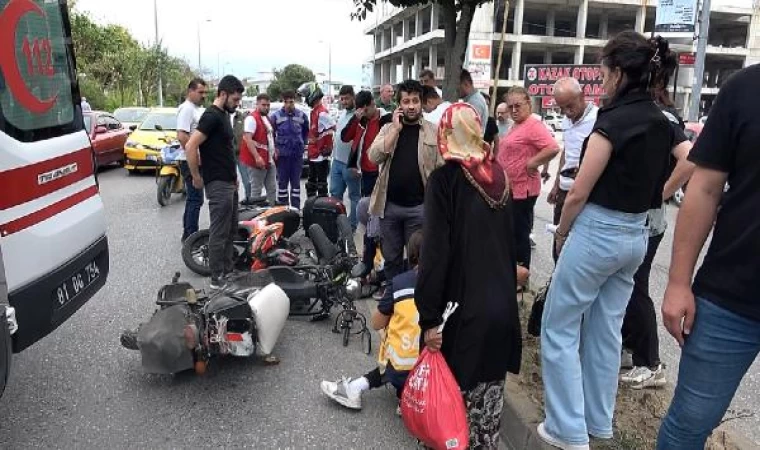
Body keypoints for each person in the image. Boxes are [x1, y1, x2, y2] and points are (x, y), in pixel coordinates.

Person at [538, 32, 679, 449]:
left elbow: (579, 189)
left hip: (598, 233)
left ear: (619, 72)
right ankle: (598, 424)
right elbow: (681, 165)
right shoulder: (660, 119)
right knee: (605, 332)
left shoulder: (612, 120)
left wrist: (562, 232)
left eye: (603, 73)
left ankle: (567, 428)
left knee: (559, 326)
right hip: (635, 236)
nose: (601, 82)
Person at [656, 65, 760, 450]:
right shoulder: (745, 88)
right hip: (729, 300)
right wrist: (678, 282)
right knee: (689, 424)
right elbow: (704, 189)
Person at [417, 103, 528, 447]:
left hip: (461, 314)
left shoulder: (444, 181)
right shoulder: (502, 177)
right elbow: (514, 243)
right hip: (501, 312)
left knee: (451, 421)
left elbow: (434, 255)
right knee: (487, 420)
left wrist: (430, 318)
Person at [620, 39, 695, 390]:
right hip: (641, 218)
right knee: (626, 286)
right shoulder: (652, 110)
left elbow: (689, 157)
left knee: (635, 288)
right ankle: (630, 348)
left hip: (648, 221)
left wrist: (659, 193)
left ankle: (650, 362)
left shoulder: (660, 115)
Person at [320, 230, 423, 411]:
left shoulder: (400, 283)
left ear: (412, 254)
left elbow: (376, 324)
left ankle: (361, 388)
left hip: (405, 370)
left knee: (394, 329)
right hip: (441, 374)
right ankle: (407, 397)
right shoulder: (453, 285)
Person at [368, 80, 444, 282]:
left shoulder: (433, 131)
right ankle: (392, 296)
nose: (411, 106)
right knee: (391, 257)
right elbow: (373, 157)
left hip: (419, 208)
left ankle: (411, 298)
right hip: (389, 207)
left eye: (415, 101)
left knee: (416, 258)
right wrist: (395, 130)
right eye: (406, 101)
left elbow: (442, 170)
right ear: (399, 104)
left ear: (421, 103)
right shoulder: (387, 129)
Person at [184, 75, 244, 289]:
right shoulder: (211, 116)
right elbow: (191, 146)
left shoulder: (222, 116)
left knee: (230, 229)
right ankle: (217, 278)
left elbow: (224, 150)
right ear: (224, 94)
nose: (237, 104)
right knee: (219, 232)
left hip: (228, 182)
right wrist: (196, 176)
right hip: (217, 183)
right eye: (235, 100)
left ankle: (228, 272)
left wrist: (234, 176)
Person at [498, 86, 559, 271]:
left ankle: (521, 276)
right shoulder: (517, 125)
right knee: (510, 234)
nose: (514, 110)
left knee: (519, 235)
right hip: (511, 189)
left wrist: (532, 163)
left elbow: (552, 147)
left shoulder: (533, 125)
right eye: (510, 107)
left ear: (528, 104)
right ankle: (512, 271)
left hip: (523, 191)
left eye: (518, 106)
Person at [342, 90, 392, 280]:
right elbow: (345, 138)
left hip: (381, 173)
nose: (365, 113)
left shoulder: (385, 119)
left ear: (373, 104)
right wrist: (355, 119)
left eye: (366, 109)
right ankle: (370, 255)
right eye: (360, 111)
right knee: (368, 215)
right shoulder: (361, 120)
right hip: (366, 173)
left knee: (378, 215)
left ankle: (377, 257)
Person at [548, 77, 598, 263]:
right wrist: (555, 184)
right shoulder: (566, 121)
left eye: (570, 106)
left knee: (578, 247)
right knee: (558, 243)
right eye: (562, 108)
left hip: (585, 193)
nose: (566, 112)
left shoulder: (598, 119)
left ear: (582, 96)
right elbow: (566, 152)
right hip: (564, 189)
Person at [176, 77, 207, 242]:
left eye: (204, 92)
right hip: (190, 160)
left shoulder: (195, 108)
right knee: (195, 199)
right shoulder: (187, 109)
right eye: (200, 92)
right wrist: (195, 155)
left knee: (194, 199)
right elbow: (182, 136)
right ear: (191, 91)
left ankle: (188, 233)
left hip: (193, 158)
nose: (203, 96)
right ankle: (191, 236)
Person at [330, 86, 361, 228]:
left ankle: (352, 226)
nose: (344, 101)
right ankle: (336, 223)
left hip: (350, 164)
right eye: (341, 98)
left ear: (353, 97)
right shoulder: (342, 114)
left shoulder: (359, 116)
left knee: (354, 196)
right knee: (335, 194)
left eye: (347, 98)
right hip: (336, 162)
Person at [271, 90, 309, 209]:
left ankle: (296, 210)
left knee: (296, 185)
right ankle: (283, 210)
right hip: (282, 156)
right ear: (283, 102)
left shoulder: (302, 115)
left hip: (297, 156)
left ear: (295, 101)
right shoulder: (275, 116)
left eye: (291, 102)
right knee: (282, 184)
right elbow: (271, 134)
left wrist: (303, 144)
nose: (288, 104)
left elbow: (306, 132)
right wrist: (275, 149)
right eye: (286, 102)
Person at [299, 82, 336, 198]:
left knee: (321, 186)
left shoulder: (322, 113)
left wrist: (328, 147)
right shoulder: (314, 112)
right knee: (311, 185)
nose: (305, 99)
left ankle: (322, 211)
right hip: (313, 154)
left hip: (321, 156)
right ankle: (311, 209)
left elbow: (334, 128)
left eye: (306, 96)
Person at [240, 93, 277, 206]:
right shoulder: (252, 118)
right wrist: (257, 157)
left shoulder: (266, 118)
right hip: (257, 160)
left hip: (268, 159)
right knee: (256, 191)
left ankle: (272, 214)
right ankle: (254, 217)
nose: (266, 107)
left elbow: (269, 138)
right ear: (257, 104)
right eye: (263, 105)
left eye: (268, 105)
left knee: (272, 189)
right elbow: (247, 138)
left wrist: (274, 151)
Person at [458, 69, 488, 134]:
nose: (455, 90)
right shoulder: (472, 100)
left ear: (466, 84)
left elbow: (470, 128)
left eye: (457, 87)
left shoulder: (475, 102)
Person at [230, 109, 249, 201]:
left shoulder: (241, 116)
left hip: (241, 154)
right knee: (230, 182)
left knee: (247, 181)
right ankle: (233, 204)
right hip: (227, 155)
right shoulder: (222, 115)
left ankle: (249, 201)